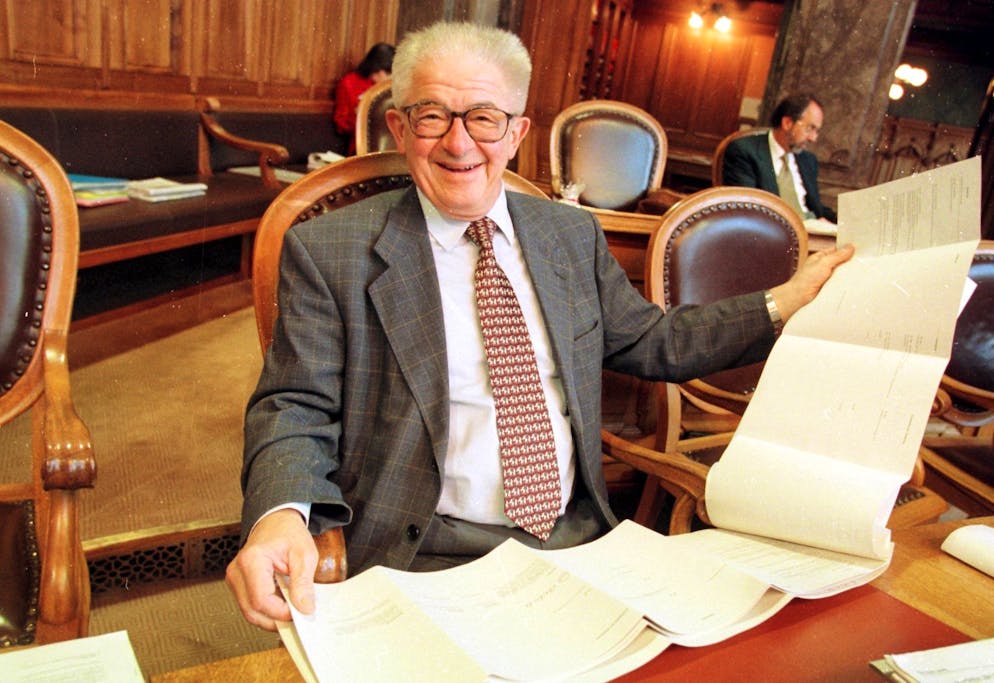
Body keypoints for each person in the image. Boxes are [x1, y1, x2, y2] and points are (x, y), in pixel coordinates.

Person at [226, 21, 854, 631]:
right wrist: (279, 516)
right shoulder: (329, 250)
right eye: (432, 116)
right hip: (424, 552)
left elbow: (652, 339)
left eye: (484, 117)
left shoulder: (570, 235)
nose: (459, 142)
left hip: (579, 539)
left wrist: (782, 302)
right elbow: (293, 404)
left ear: (518, 130)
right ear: (399, 125)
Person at [722, 93, 838, 223]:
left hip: (814, 231)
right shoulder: (744, 151)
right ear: (787, 123)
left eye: (817, 131)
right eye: (810, 128)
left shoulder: (808, 160)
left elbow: (816, 208)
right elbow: (746, 208)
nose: (813, 138)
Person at [333, 42, 395, 154]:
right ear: (377, 69)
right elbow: (341, 124)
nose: (390, 79)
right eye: (389, 73)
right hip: (361, 148)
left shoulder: (392, 86)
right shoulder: (349, 83)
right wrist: (360, 114)